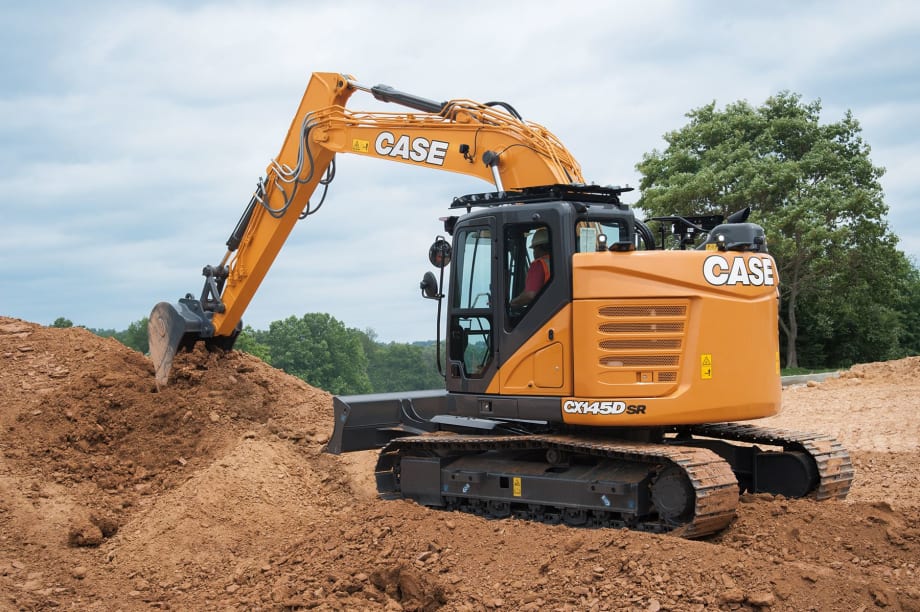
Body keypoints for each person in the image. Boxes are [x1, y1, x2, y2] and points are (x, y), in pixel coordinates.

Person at [510, 228, 551, 308]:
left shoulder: (539, 264)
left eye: (534, 248)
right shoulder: (559, 263)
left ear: (539, 248)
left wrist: (512, 303)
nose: (534, 252)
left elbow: (530, 295)